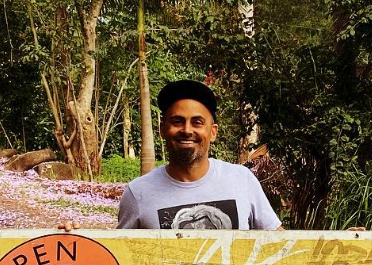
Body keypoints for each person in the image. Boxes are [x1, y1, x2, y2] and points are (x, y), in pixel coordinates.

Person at [116, 80, 282, 231]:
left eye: (197, 122)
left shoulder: (242, 180)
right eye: (177, 121)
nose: (187, 130)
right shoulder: (137, 193)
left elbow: (281, 245)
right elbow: (121, 256)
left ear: (213, 132)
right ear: (162, 129)